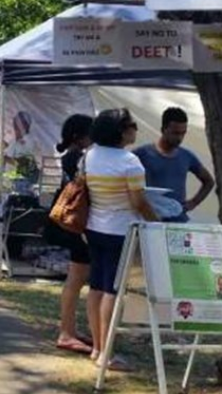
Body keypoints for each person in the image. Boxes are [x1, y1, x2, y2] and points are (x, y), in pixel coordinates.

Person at [85, 108, 158, 371]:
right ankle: (106, 353)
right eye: (132, 125)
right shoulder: (130, 162)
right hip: (120, 230)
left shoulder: (90, 155)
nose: (135, 129)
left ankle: (96, 347)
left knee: (96, 287)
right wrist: (156, 220)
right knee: (112, 292)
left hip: (94, 226)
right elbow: (138, 201)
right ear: (121, 131)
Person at [44, 114, 94, 355]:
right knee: (76, 279)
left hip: (71, 224)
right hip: (77, 224)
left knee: (76, 279)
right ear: (80, 136)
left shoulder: (69, 156)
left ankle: (70, 329)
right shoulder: (78, 158)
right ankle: (67, 331)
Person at [133, 107, 215, 223]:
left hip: (179, 222)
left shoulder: (187, 156)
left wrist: (194, 202)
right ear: (163, 129)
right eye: (175, 133)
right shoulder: (142, 154)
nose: (179, 138)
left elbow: (209, 181)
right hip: (151, 222)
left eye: (183, 133)